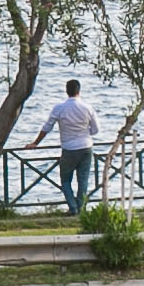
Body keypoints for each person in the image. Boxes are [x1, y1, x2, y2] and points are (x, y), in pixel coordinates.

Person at [37, 78, 100, 217]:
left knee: (65, 180)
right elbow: (95, 130)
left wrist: (35, 143)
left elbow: (47, 127)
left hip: (69, 149)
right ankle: (80, 208)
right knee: (83, 180)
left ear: (66, 91)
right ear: (79, 91)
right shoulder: (87, 108)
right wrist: (84, 133)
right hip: (86, 147)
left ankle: (73, 207)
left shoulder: (59, 108)